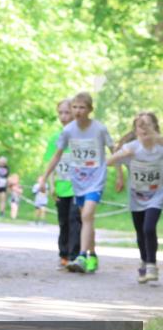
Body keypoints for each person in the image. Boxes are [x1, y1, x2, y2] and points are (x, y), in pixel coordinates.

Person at [39, 91, 115, 274]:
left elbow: (115, 150)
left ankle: (81, 255)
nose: (78, 111)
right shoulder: (68, 131)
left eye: (82, 107)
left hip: (96, 180)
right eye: (75, 107)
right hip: (78, 181)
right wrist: (44, 178)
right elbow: (56, 156)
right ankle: (93, 254)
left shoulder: (99, 129)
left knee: (86, 215)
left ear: (89, 109)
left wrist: (120, 174)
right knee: (86, 219)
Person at [107, 112, 163, 284]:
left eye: (148, 124)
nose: (145, 128)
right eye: (141, 125)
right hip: (137, 196)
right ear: (136, 130)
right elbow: (109, 162)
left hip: (157, 195)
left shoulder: (160, 146)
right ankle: (144, 261)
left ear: (155, 127)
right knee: (140, 231)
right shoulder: (132, 147)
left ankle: (152, 265)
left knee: (148, 227)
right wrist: (122, 155)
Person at [43, 98, 82, 269]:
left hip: (78, 187)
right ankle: (63, 254)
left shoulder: (81, 136)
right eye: (61, 113)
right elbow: (51, 163)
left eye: (67, 112)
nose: (64, 116)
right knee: (63, 221)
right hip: (61, 186)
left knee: (75, 219)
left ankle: (74, 255)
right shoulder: (55, 138)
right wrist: (51, 184)